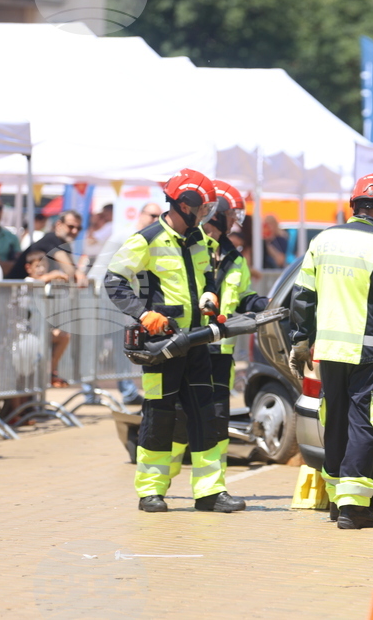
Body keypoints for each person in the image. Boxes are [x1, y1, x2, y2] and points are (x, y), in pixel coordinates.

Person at [105, 169, 245, 513]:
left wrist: (210, 296)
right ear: (184, 204)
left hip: (197, 343)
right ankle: (150, 491)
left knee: (205, 415)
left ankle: (210, 492)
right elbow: (113, 281)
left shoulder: (198, 239)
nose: (205, 215)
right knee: (159, 415)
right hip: (162, 346)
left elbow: (208, 278)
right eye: (202, 208)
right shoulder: (147, 239)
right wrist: (143, 314)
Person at [289, 173, 373, 530]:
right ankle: (353, 506)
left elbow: (302, 296)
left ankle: (336, 499)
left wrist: (300, 340)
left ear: (354, 206)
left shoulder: (323, 240)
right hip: (369, 351)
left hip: (328, 350)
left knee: (335, 419)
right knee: (366, 422)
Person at [169, 181, 268, 487]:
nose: (235, 221)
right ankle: (159, 482)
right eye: (233, 213)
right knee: (177, 420)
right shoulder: (189, 246)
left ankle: (212, 488)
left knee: (215, 421)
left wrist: (264, 304)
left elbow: (242, 296)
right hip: (188, 345)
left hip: (220, 351)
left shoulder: (234, 257)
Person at [89, 202, 163, 405]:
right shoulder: (131, 235)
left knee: (121, 342)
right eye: (152, 215)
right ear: (141, 214)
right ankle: (92, 391)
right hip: (102, 293)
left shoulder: (140, 236)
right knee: (95, 345)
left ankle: (124, 390)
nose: (156, 220)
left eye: (159, 216)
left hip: (113, 295)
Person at [22, 250, 72, 387]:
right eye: (38, 266)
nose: (42, 269)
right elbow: (38, 281)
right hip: (28, 337)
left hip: (42, 334)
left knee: (63, 336)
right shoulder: (28, 282)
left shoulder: (46, 284)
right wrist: (54, 275)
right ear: (28, 268)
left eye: (44, 266)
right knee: (27, 376)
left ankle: (49, 372)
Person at [6, 210, 86, 283]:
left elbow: (72, 269)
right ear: (59, 224)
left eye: (79, 228)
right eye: (71, 226)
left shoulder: (64, 244)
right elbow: (70, 270)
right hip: (14, 291)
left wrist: (78, 273)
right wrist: (77, 273)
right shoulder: (52, 239)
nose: (75, 231)